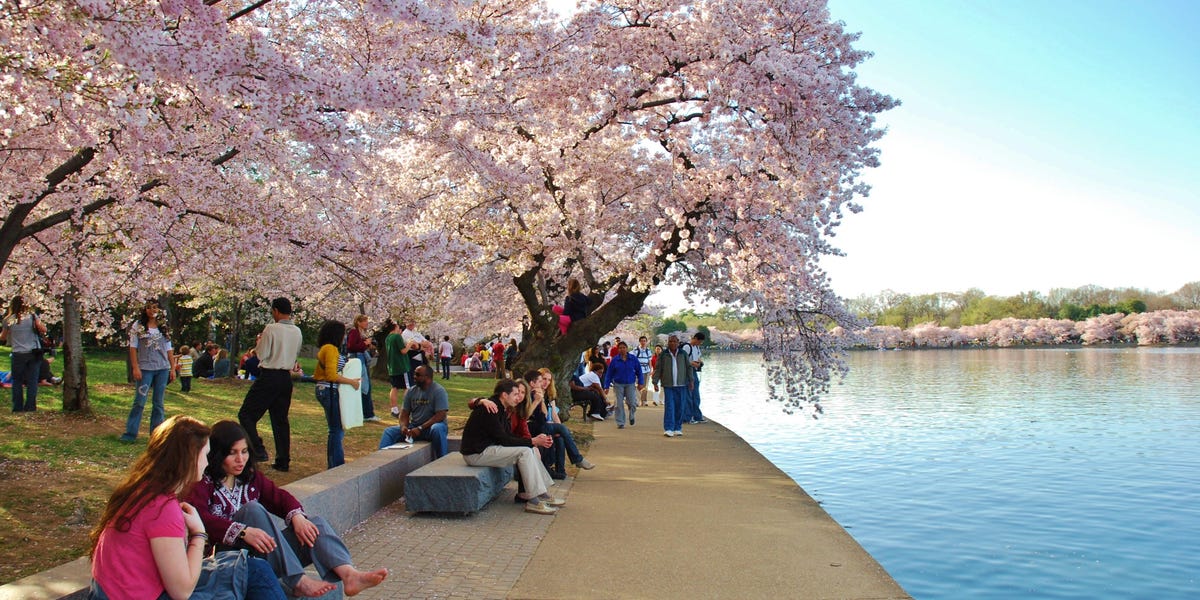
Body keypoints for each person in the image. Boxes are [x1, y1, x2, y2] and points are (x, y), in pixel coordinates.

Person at [89, 415, 285, 600]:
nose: (208, 462)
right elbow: (181, 591)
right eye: (206, 455)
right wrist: (199, 534)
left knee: (249, 568)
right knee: (255, 573)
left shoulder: (142, 489)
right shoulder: (162, 508)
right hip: (147, 595)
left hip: (114, 592)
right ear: (190, 458)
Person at [189, 421, 388, 597]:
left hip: (263, 552)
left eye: (244, 451)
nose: (241, 459)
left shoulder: (249, 478)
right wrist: (242, 532)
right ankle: (298, 581)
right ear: (217, 454)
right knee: (253, 510)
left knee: (314, 523)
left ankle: (349, 574)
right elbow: (202, 520)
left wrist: (297, 517)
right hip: (228, 559)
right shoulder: (203, 483)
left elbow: (280, 498)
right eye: (232, 453)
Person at [460, 379, 566, 515]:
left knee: (528, 450)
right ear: (504, 395)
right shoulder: (491, 408)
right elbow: (503, 439)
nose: (519, 398)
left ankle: (542, 494)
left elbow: (507, 435)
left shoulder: (501, 408)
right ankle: (533, 501)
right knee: (525, 452)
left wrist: (532, 442)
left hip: (487, 449)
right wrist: (532, 441)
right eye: (516, 394)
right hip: (476, 453)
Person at [238, 297, 302, 472]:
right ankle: (283, 459)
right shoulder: (297, 331)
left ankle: (258, 449)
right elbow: (295, 354)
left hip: (269, 375)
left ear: (275, 311)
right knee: (280, 419)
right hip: (285, 378)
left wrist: (259, 345)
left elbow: (261, 354)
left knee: (246, 414)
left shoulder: (271, 329)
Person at [120, 299, 177, 442]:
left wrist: (172, 368)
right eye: (149, 308)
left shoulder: (164, 326)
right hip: (145, 369)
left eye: (155, 308)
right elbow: (133, 348)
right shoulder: (138, 326)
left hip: (162, 369)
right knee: (140, 401)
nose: (153, 310)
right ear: (145, 309)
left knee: (159, 403)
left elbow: (169, 348)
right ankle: (130, 433)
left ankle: (156, 435)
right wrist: (135, 367)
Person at [527, 369, 595, 478]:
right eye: (543, 379)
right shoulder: (532, 394)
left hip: (547, 425)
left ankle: (561, 471)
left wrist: (559, 429)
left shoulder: (548, 395)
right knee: (561, 430)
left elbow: (554, 415)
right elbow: (538, 417)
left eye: (549, 380)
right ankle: (577, 459)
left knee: (560, 438)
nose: (546, 382)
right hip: (537, 426)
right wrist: (538, 400)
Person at [313, 320, 361, 469]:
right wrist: (351, 381)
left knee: (335, 428)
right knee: (336, 429)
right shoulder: (331, 349)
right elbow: (331, 375)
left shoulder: (326, 349)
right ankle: (336, 464)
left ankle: (335, 463)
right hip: (329, 389)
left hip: (325, 389)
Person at [377, 365, 449, 458]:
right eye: (414, 374)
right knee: (389, 432)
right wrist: (403, 426)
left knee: (437, 429)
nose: (414, 377)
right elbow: (404, 413)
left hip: (431, 427)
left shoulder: (439, 391)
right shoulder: (411, 391)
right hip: (414, 427)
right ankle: (381, 459)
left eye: (418, 375)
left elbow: (441, 415)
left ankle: (441, 459)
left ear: (427, 377)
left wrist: (421, 428)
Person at [1, 295, 47, 412]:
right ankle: (30, 406)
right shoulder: (31, 316)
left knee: (17, 381)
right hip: (33, 352)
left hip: (18, 353)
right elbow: (42, 329)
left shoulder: (9, 320)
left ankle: (17, 407)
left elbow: (3, 337)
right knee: (32, 380)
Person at [652, 334, 694, 437]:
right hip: (668, 384)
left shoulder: (683, 354)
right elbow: (658, 368)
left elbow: (688, 367)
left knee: (680, 406)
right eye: (670, 341)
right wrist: (655, 382)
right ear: (668, 342)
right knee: (670, 406)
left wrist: (691, 380)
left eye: (674, 341)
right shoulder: (663, 355)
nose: (672, 343)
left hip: (681, 384)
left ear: (678, 342)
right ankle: (669, 428)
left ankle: (677, 427)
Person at [602, 341, 644, 429]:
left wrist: (641, 382)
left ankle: (632, 415)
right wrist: (606, 386)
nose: (622, 349)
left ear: (627, 348)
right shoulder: (615, 360)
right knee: (618, 404)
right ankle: (620, 422)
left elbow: (639, 371)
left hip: (630, 384)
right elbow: (609, 374)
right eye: (620, 348)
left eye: (623, 348)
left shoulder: (633, 359)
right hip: (618, 384)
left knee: (632, 402)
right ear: (618, 349)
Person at [346, 315, 379, 423]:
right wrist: (364, 343)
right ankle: (367, 413)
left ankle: (366, 411)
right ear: (358, 322)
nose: (366, 323)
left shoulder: (361, 333)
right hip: (357, 358)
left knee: (365, 386)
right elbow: (351, 346)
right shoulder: (354, 332)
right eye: (364, 321)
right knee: (365, 386)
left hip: (361, 358)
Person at [383, 319, 411, 416]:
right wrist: (409, 345)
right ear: (395, 327)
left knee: (394, 387)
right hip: (401, 366)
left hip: (392, 366)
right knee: (407, 387)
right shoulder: (397, 337)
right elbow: (403, 351)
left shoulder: (388, 338)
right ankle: (405, 409)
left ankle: (394, 409)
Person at [684, 332, 707, 424]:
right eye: (699, 342)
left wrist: (700, 363)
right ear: (696, 339)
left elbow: (698, 358)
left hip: (694, 371)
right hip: (687, 372)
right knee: (689, 395)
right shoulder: (687, 347)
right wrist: (693, 363)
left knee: (696, 395)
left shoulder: (696, 348)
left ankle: (697, 415)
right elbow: (683, 360)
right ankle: (688, 417)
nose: (699, 344)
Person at [632, 336, 654, 406]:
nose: (643, 342)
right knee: (637, 385)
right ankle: (638, 400)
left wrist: (651, 370)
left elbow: (650, 361)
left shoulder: (648, 350)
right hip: (638, 370)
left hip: (646, 370)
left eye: (644, 341)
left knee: (645, 386)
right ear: (639, 341)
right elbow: (634, 360)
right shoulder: (635, 350)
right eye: (642, 341)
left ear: (646, 342)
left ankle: (644, 400)